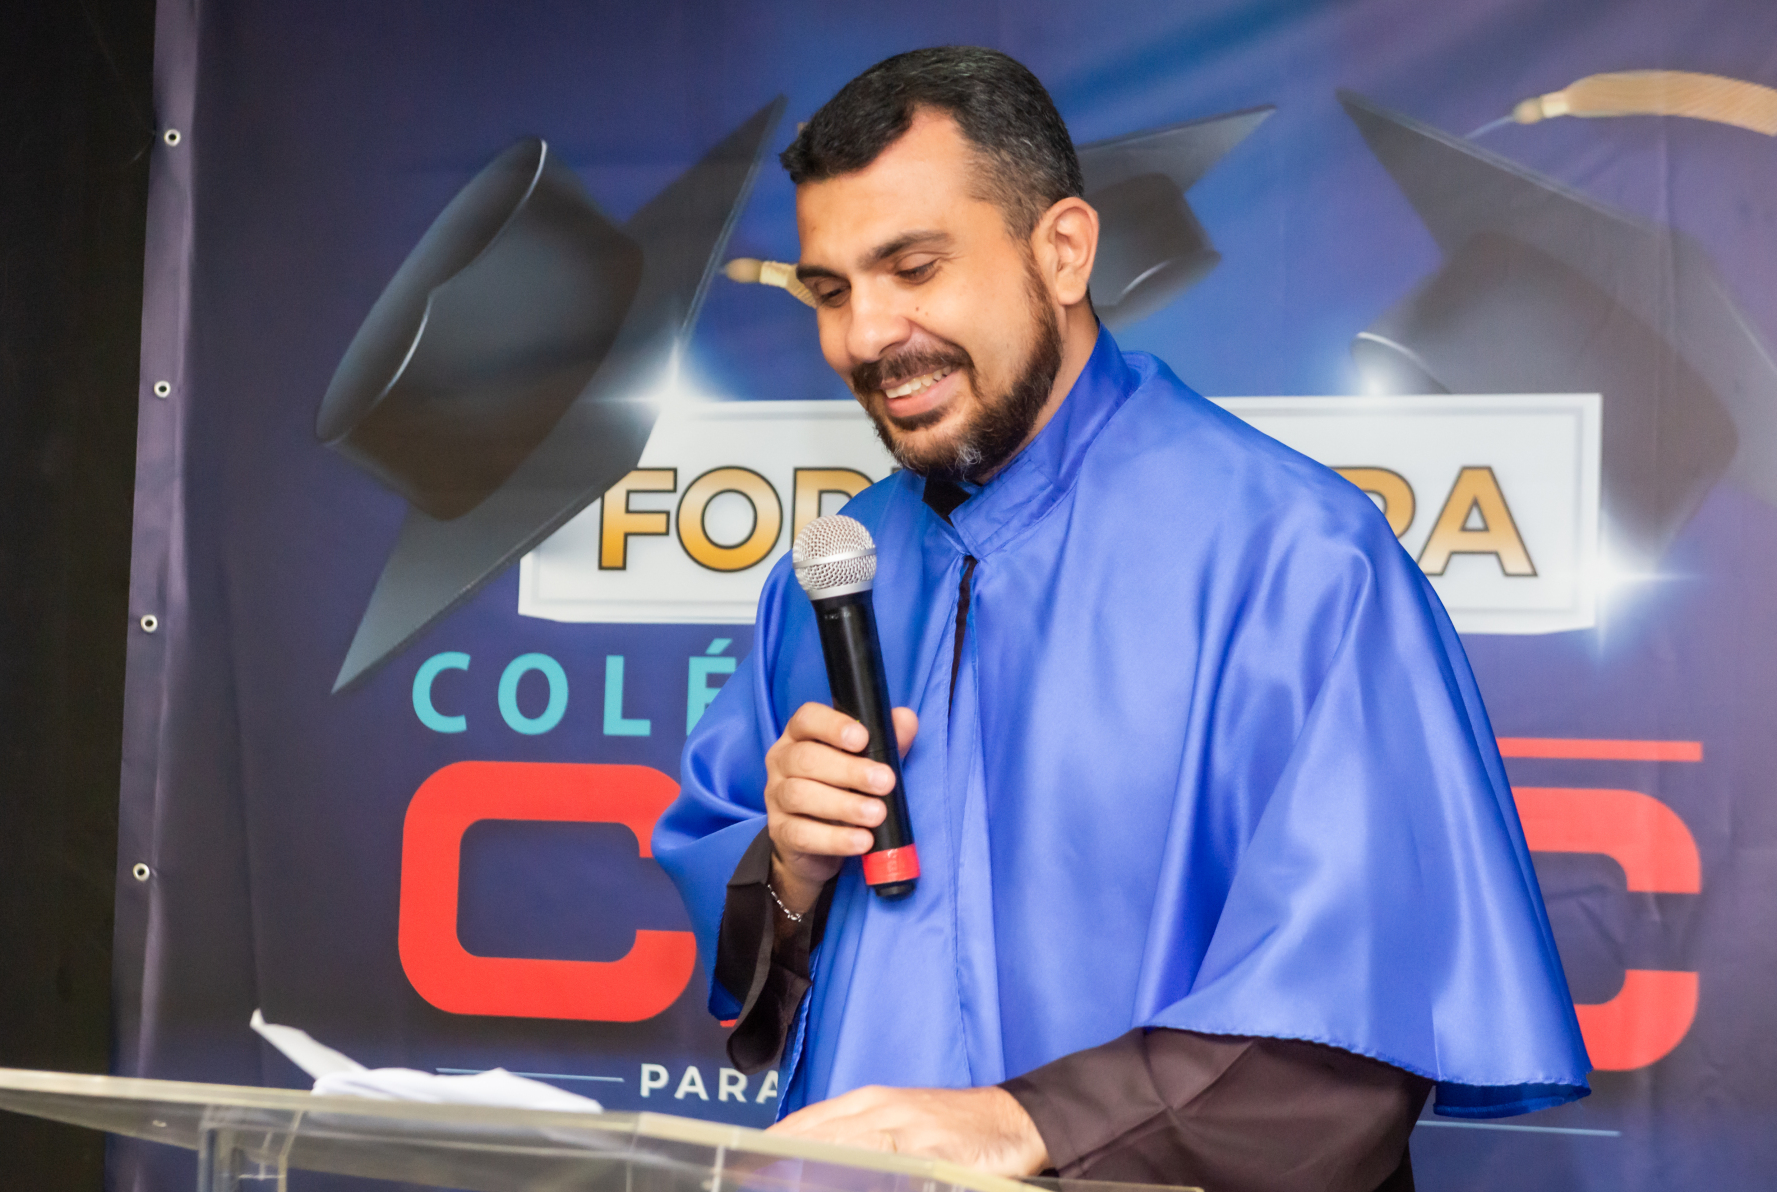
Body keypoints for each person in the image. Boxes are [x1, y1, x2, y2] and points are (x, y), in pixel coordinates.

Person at [653, 46, 1590, 1192]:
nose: (865, 335)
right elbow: (746, 924)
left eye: (913, 267)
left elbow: (1349, 1034)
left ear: (1063, 250)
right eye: (831, 291)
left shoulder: (1294, 558)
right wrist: (789, 867)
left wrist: (1026, 1122)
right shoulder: (830, 576)